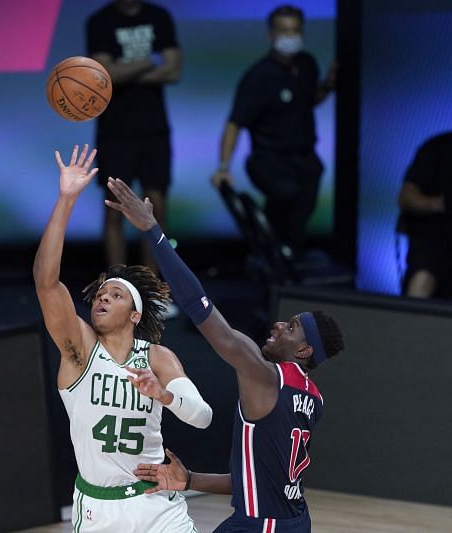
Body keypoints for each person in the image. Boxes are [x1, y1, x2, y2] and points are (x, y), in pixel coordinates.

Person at [105, 176, 345, 532]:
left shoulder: (265, 375)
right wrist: (189, 480)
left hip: (263, 526)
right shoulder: (314, 398)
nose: (279, 325)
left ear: (304, 350)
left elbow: (199, 308)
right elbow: (258, 482)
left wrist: (154, 232)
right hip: (291, 521)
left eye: (291, 327)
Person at [33, 145, 213, 532]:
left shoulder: (159, 358)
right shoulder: (79, 351)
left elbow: (202, 416)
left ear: (134, 315)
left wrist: (163, 395)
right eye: (100, 294)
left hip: (157, 505)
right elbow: (46, 283)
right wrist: (66, 200)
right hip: (100, 511)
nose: (102, 298)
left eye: (115, 295)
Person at [211, 5, 337, 256]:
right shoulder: (258, 77)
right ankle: (269, 250)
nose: (290, 37)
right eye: (284, 31)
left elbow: (307, 100)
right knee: (286, 193)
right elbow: (235, 123)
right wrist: (223, 167)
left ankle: (289, 255)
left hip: (305, 156)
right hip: (269, 159)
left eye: (295, 31)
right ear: (271, 35)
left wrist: (329, 86)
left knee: (301, 211)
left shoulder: (307, 64)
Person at [86, 0, 182, 318]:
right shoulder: (99, 21)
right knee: (114, 213)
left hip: (154, 130)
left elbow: (174, 69)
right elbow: (104, 74)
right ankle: (117, 292)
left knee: (156, 209)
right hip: (116, 132)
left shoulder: (159, 17)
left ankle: (152, 295)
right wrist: (149, 61)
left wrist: (123, 72)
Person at [397, 132, 452, 299]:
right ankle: (410, 323)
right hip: (436, 244)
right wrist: (441, 203)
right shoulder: (438, 147)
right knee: (422, 279)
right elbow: (405, 197)